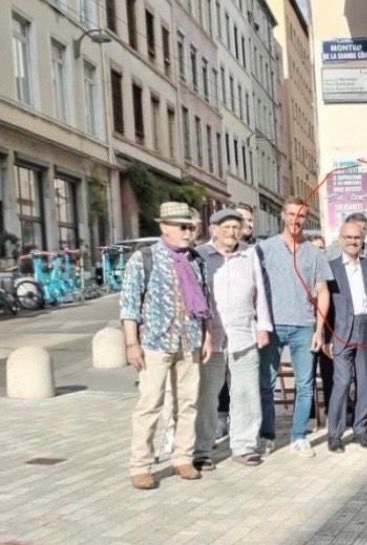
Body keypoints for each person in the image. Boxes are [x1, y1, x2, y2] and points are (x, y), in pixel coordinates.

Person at [119, 202, 213, 490]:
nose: (188, 232)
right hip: (155, 342)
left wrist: (207, 336)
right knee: (150, 404)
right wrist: (131, 343)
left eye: (191, 227)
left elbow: (204, 302)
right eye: (182, 227)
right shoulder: (144, 258)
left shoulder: (196, 259)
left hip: (189, 340)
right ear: (165, 228)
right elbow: (129, 303)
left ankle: (182, 457)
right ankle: (141, 464)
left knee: (187, 403)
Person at [257, 198, 333, 458]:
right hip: (273, 325)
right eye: (291, 214)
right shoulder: (264, 249)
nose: (295, 220)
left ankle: (299, 435)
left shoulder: (315, 253)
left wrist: (319, 330)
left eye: (301, 215)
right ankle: (266, 435)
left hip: (304, 325)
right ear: (282, 215)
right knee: (266, 384)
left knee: (305, 384)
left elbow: (323, 292)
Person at [194, 209, 271, 469]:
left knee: (247, 393)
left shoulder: (249, 253)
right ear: (213, 230)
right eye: (225, 227)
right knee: (207, 396)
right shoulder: (201, 255)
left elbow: (260, 291)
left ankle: (244, 446)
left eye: (235, 227)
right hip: (211, 337)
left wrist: (263, 327)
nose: (231, 232)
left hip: (244, 334)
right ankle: (202, 449)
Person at [324, 220, 367, 452]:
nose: (352, 242)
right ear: (340, 239)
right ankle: (335, 434)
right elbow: (323, 304)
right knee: (341, 382)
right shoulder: (330, 267)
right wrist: (326, 335)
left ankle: (361, 430)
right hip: (341, 330)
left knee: (366, 382)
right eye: (348, 237)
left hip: (366, 327)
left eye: (357, 238)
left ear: (363, 240)